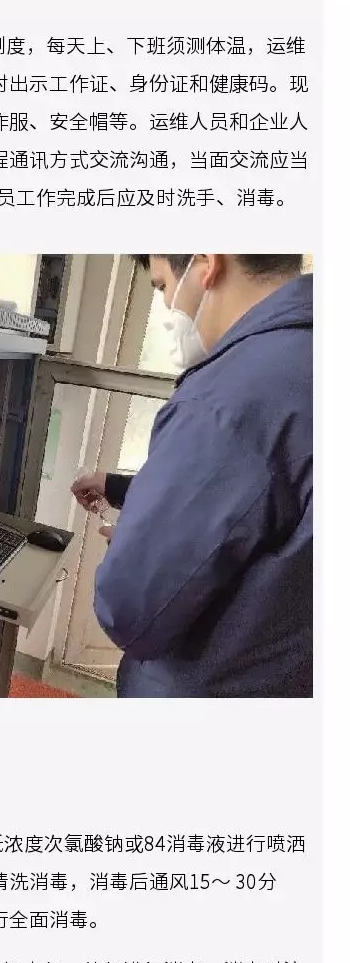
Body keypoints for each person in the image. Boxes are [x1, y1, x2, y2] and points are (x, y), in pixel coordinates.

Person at [71, 254, 312, 698]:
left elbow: (129, 609)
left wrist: (135, 543)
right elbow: (267, 497)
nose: (167, 305)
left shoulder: (228, 397)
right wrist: (120, 488)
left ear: (206, 263)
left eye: (162, 285)